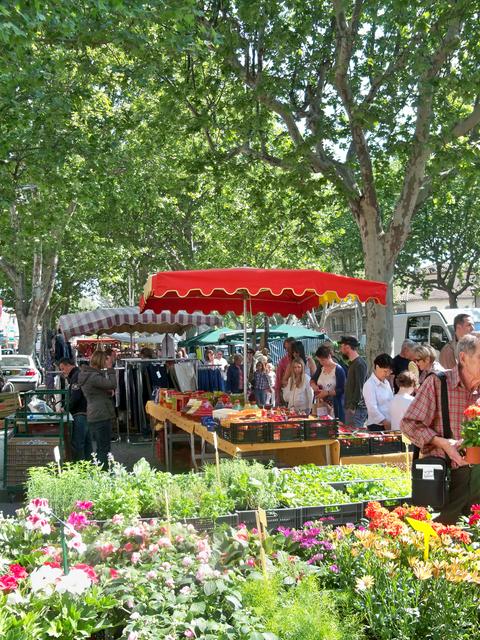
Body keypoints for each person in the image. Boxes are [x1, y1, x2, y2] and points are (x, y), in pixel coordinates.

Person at [401, 332, 480, 524]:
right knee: (443, 537)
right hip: (447, 479)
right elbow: (408, 424)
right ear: (463, 357)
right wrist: (442, 443)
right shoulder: (438, 383)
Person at [78, 350, 117, 468]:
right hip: (101, 414)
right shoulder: (94, 376)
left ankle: (102, 471)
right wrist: (110, 369)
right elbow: (112, 384)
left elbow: (97, 391)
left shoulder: (86, 375)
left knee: (100, 447)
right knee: (103, 448)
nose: (107, 362)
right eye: (106, 360)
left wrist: (106, 393)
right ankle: (103, 473)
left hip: (93, 413)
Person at [58, 357, 93, 461]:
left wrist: (65, 408)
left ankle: (80, 470)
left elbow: (76, 396)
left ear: (69, 365)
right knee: (87, 443)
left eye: (63, 368)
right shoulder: (78, 374)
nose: (62, 372)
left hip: (80, 413)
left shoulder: (76, 376)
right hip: (86, 412)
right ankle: (89, 467)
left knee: (78, 443)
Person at [310, 344, 346, 422]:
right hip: (321, 404)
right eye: (319, 360)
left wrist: (327, 393)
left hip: (335, 406)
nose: (321, 362)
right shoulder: (321, 367)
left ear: (329, 356)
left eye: (323, 360)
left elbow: (341, 390)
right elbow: (312, 380)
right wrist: (314, 386)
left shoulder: (338, 370)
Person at [339, 336, 368, 428]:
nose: (340, 349)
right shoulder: (353, 363)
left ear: (347, 347)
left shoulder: (359, 364)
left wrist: (353, 407)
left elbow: (359, 387)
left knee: (355, 438)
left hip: (356, 409)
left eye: (342, 346)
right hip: (351, 408)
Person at [362, 353, 394, 431]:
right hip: (376, 426)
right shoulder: (369, 385)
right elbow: (372, 408)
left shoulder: (386, 382)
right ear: (377, 367)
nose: (387, 374)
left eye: (389, 372)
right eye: (385, 371)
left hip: (389, 424)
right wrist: (385, 422)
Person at [274, 337, 295, 406]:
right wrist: (277, 396)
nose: (288, 350)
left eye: (290, 348)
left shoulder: (307, 360)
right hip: (288, 393)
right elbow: (278, 379)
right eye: (286, 348)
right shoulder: (283, 361)